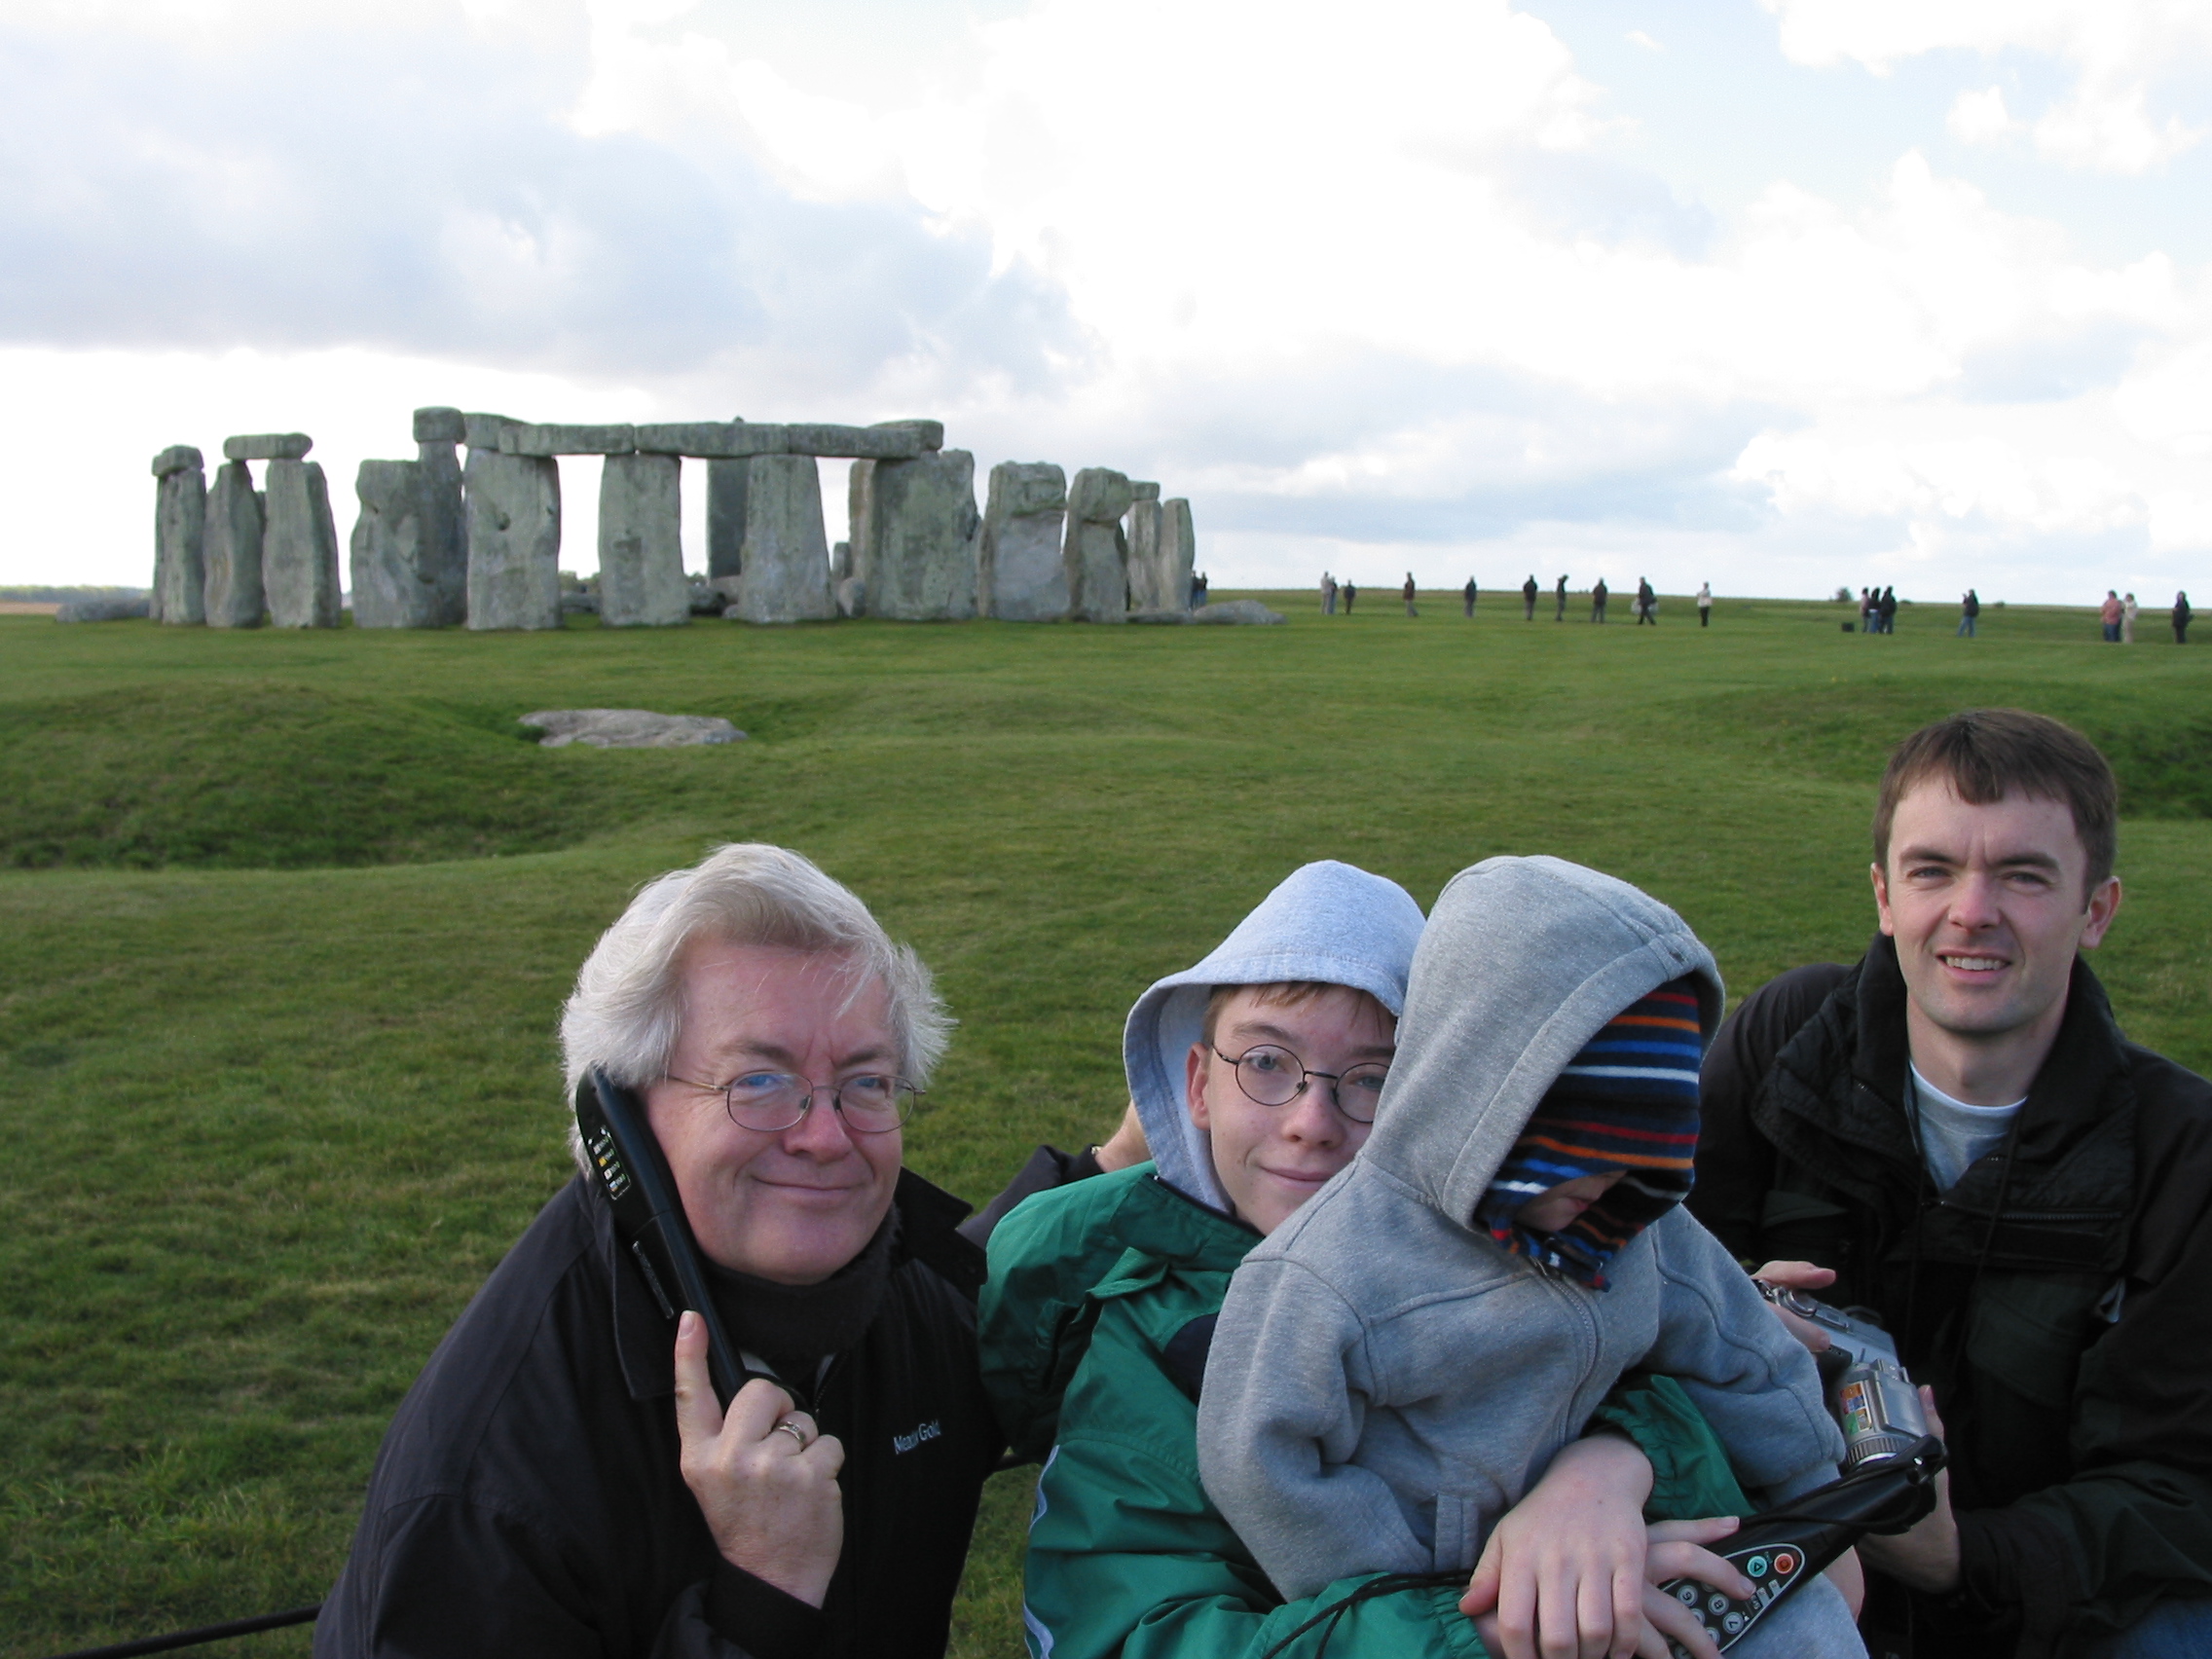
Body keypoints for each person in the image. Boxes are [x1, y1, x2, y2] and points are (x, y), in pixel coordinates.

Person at [316, 843, 1138, 1659]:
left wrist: (1118, 1159)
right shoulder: (484, 1492)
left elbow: (972, 1307)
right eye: (758, 1082)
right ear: (621, 1120)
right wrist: (764, 1593)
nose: (825, 1137)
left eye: (866, 1082)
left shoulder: (876, 1288)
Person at [988, 863, 1784, 1659]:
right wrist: (1479, 1630)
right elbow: (1129, 1636)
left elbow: (1720, 1423)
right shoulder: (1144, 1355)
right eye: (1266, 1061)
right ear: (1200, 1085)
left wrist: (1611, 1466)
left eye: (1376, 1077)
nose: (1311, 1121)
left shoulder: (1548, 1252)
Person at [1201, 857, 1860, 1657]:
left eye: (1639, 1152)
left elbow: (1741, 1349)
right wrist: (1439, 1601)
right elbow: (1261, 1465)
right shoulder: (1325, 1273)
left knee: (1807, 1628)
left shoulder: (1637, 1227)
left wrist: (1818, 1500)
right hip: (1459, 1611)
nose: (1609, 1182)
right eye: (1576, 1150)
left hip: (1628, 1555)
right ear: (1478, 1096)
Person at [1691, 711, 2212, 1658]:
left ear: (2097, 909)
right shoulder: (1787, 1040)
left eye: (2022, 875)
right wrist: (1732, 1313)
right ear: (1884, 897)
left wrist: (1955, 1554)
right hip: (1785, 1551)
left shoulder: (2184, 1154)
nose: (1972, 911)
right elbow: (1631, 1256)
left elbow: (2178, 1488)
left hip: (2045, 1603)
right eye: (1932, 871)